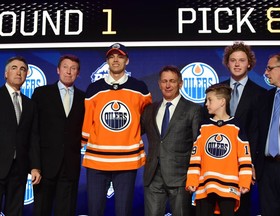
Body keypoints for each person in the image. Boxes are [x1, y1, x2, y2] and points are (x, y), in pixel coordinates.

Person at [81, 42, 152, 216]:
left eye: (120, 56)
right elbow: (87, 123)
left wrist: (131, 134)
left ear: (127, 61)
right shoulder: (94, 88)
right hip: (97, 160)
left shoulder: (139, 88)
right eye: (112, 57)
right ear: (107, 61)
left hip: (127, 160)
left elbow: (147, 119)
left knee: (123, 211)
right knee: (95, 211)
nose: (115, 60)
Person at [141, 65, 203, 216]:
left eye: (172, 81)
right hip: (153, 175)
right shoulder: (149, 109)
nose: (168, 85)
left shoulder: (193, 109)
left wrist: (195, 174)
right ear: (159, 84)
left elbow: (198, 144)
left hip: (181, 177)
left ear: (180, 83)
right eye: (164, 81)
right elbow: (133, 133)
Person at [186, 83, 252, 216]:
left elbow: (245, 157)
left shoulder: (236, 126)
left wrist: (245, 181)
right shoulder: (204, 127)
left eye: (210, 100)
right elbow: (195, 157)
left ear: (222, 102)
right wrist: (192, 180)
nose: (206, 104)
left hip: (229, 187)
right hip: (204, 185)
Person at [32, 54, 85, 216]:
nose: (69, 72)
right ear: (57, 70)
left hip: (70, 166)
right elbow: (33, 132)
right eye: (65, 67)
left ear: (78, 73)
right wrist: (35, 165)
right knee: (41, 210)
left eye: (73, 68)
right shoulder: (41, 93)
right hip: (45, 167)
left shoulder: (84, 98)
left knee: (67, 211)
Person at [219, 41, 266, 216]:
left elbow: (259, 134)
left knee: (242, 209)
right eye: (233, 60)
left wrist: (252, 163)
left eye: (241, 60)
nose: (237, 64)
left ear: (249, 64)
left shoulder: (261, 94)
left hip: (244, 164)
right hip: (218, 160)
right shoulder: (216, 90)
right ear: (227, 63)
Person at [0, 56, 41, 215]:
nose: (19, 72)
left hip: (20, 168)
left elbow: (33, 137)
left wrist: (35, 166)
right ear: (6, 73)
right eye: (14, 68)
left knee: (15, 211)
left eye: (23, 69)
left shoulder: (30, 104)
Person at [254, 53, 280, 216]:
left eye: (269, 68)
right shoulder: (265, 98)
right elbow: (257, 133)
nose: (266, 73)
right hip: (266, 169)